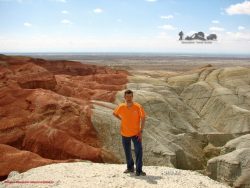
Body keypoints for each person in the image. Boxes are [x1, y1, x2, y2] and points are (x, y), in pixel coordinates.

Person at [113, 89, 146, 176]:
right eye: (127, 96)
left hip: (136, 134)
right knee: (127, 152)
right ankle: (130, 168)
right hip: (124, 134)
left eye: (130, 96)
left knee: (139, 151)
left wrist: (141, 131)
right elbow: (115, 113)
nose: (128, 98)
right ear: (124, 97)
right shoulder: (121, 106)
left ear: (132, 97)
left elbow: (143, 118)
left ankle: (139, 170)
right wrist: (121, 119)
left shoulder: (138, 106)